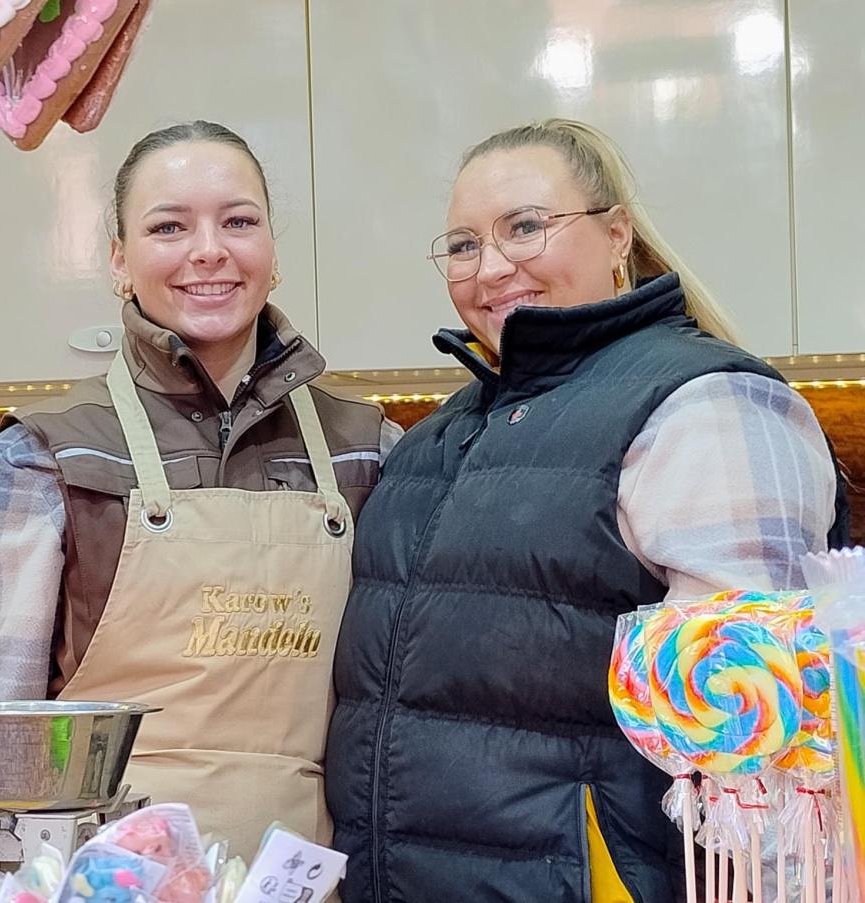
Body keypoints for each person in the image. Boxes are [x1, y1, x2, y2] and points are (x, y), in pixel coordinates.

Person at [326, 118, 849, 903]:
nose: (491, 267)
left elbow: (766, 765)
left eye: (525, 227)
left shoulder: (707, 407)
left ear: (616, 236)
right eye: (463, 244)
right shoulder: (435, 438)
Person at [0, 120, 400, 856]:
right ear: (118, 261)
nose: (209, 250)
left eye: (238, 221)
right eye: (169, 226)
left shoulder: (370, 450)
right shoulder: (44, 455)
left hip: (307, 879)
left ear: (272, 253)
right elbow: (2, 754)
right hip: (106, 879)